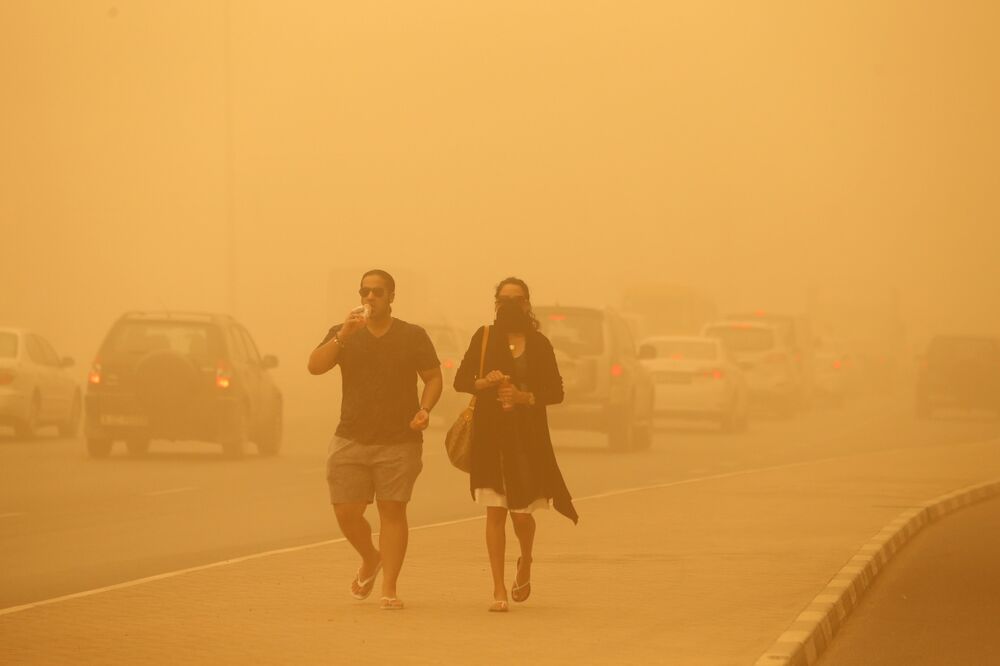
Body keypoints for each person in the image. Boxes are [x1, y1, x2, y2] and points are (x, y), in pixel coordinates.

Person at [308, 269, 442, 610]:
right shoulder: (345, 332)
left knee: (392, 511)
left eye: (378, 292)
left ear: (391, 297)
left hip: (399, 439)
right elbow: (314, 366)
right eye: (365, 291)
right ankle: (370, 557)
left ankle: (390, 588)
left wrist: (425, 409)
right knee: (347, 511)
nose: (370, 298)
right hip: (351, 436)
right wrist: (343, 336)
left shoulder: (412, 335)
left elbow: (433, 377)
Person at [454, 276, 578, 612]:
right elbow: (461, 380)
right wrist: (484, 382)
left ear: (527, 304)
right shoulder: (484, 337)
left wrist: (525, 397)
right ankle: (497, 589)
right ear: (496, 302)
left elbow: (557, 391)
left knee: (522, 516)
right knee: (495, 512)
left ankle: (525, 560)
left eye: (517, 299)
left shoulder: (539, 344)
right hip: (490, 439)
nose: (510, 304)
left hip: (527, 440)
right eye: (503, 299)